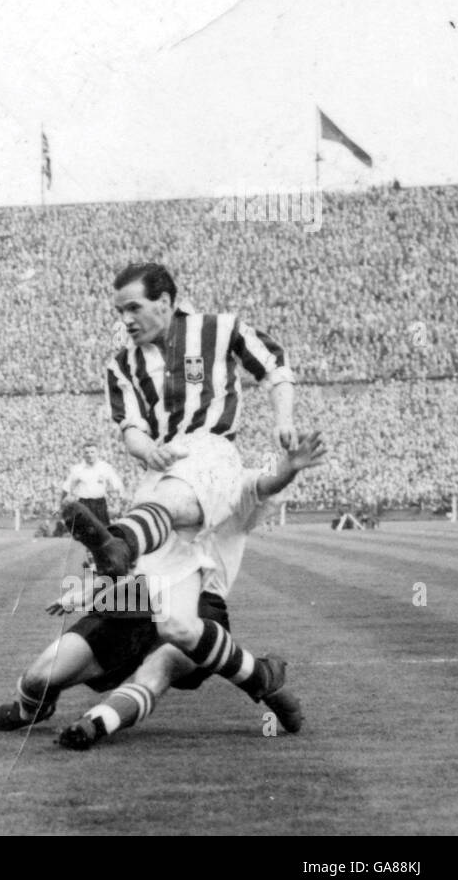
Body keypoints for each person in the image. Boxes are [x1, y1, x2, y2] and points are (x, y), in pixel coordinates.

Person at [0, 434, 324, 743]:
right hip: (139, 595)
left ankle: (96, 724)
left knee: (159, 666)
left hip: (201, 601)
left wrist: (290, 468)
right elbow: (133, 562)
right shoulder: (160, 492)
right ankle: (28, 710)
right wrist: (94, 589)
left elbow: (265, 484)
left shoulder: (231, 484)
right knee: (42, 674)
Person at [62, 262, 298, 715]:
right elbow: (129, 426)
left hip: (211, 452)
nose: (125, 320)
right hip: (163, 464)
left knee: (164, 512)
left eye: (134, 308)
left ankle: (119, 543)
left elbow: (275, 367)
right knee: (172, 622)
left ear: (166, 302)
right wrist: (145, 448)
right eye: (119, 311)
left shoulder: (220, 328)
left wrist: (283, 420)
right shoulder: (121, 364)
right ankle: (261, 677)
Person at [61, 443, 124, 530]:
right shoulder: (77, 469)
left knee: (103, 531)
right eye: (86, 452)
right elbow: (66, 488)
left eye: (92, 452)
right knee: (85, 532)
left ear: (97, 453)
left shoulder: (105, 467)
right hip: (83, 504)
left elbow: (117, 485)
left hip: (100, 503)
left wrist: (117, 504)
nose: (90, 455)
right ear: (83, 454)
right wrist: (63, 505)